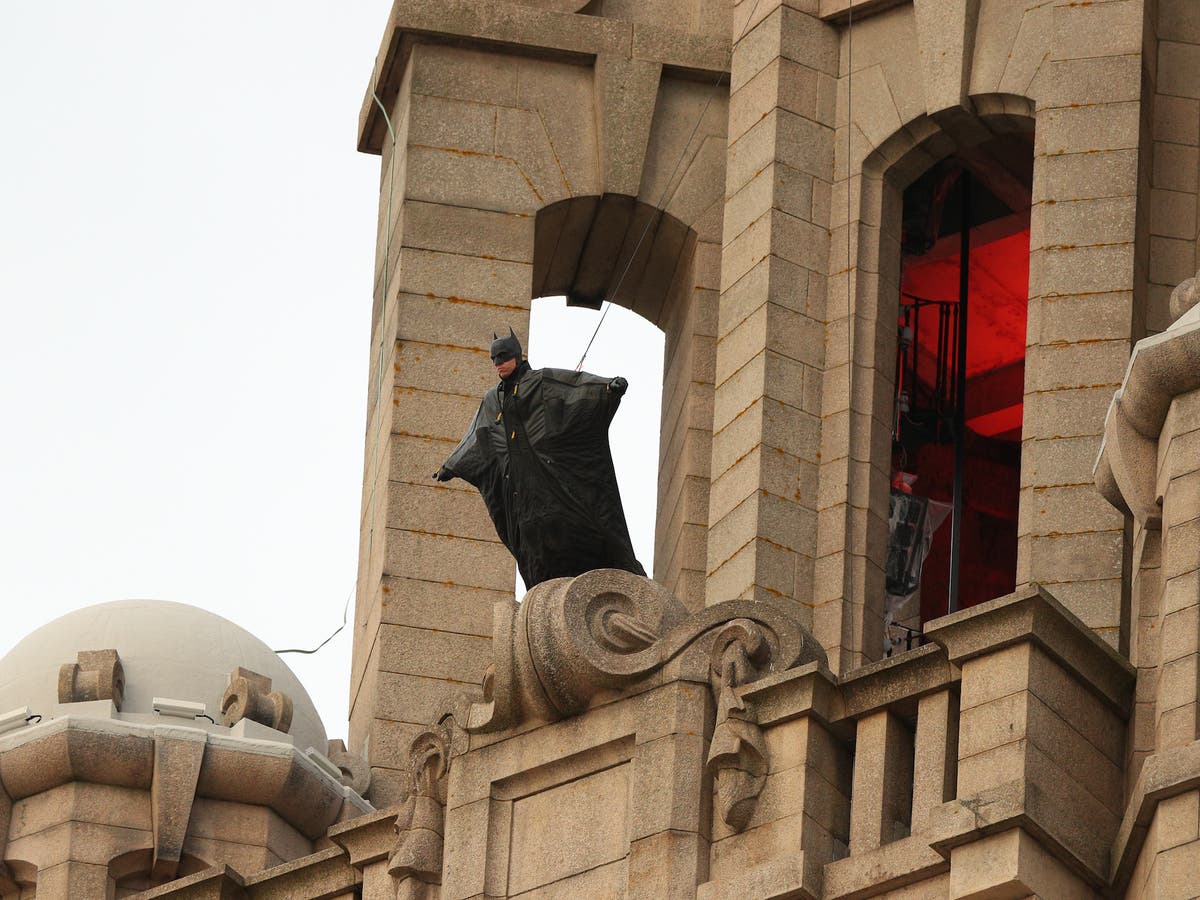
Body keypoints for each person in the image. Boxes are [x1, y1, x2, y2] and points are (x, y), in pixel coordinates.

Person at [434, 328, 646, 589]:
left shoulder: (541, 380)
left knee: (583, 521)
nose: (499, 365)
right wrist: (452, 465)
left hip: (551, 473)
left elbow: (574, 387)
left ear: (517, 356)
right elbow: (477, 435)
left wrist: (608, 389)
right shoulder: (493, 398)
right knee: (531, 542)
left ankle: (617, 567)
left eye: (503, 358)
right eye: (494, 361)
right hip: (521, 490)